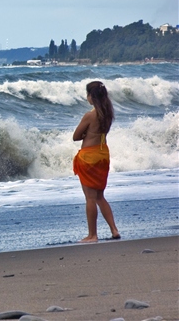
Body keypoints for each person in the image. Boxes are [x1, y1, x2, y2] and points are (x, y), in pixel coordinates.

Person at [72, 81, 120, 243]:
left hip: (89, 158)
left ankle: (92, 235)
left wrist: (87, 135)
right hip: (103, 155)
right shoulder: (108, 114)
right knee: (100, 196)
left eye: (88, 95)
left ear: (92, 96)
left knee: (90, 198)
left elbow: (76, 136)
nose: (87, 98)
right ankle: (114, 229)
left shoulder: (90, 115)